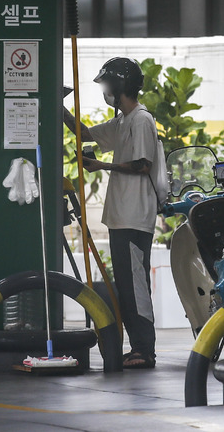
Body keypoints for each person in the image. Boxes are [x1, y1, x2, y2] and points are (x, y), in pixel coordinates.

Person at [64, 57, 158, 369]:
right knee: (127, 289)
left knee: (135, 287)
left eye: (107, 86)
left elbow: (143, 164)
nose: (105, 91)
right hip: (122, 217)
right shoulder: (122, 122)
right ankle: (137, 349)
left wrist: (102, 165)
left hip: (134, 216)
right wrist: (58, 107)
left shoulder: (142, 120)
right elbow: (86, 133)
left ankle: (145, 350)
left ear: (119, 88)